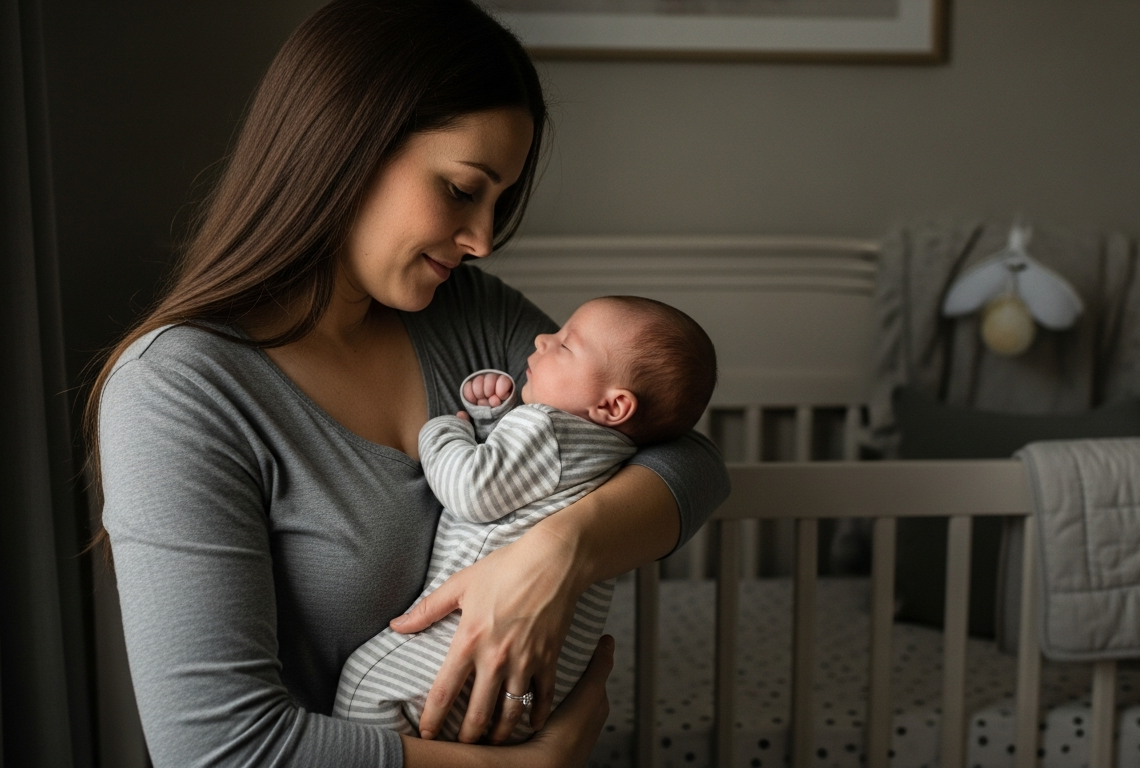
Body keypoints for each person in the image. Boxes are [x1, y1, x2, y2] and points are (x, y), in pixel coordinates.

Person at [87, 2, 730, 766]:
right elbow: (218, 750)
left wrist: (558, 553)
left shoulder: (464, 314)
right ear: (345, 146)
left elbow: (687, 459)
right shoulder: (180, 392)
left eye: (499, 201)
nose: (484, 239)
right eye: (463, 190)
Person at [335, 296, 719, 742]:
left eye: (566, 344)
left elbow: (473, 491)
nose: (542, 338)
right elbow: (525, 488)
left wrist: (442, 430)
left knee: (364, 690)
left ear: (614, 407)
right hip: (528, 690)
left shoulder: (545, 425)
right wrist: (494, 421)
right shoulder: (615, 455)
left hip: (449, 651)